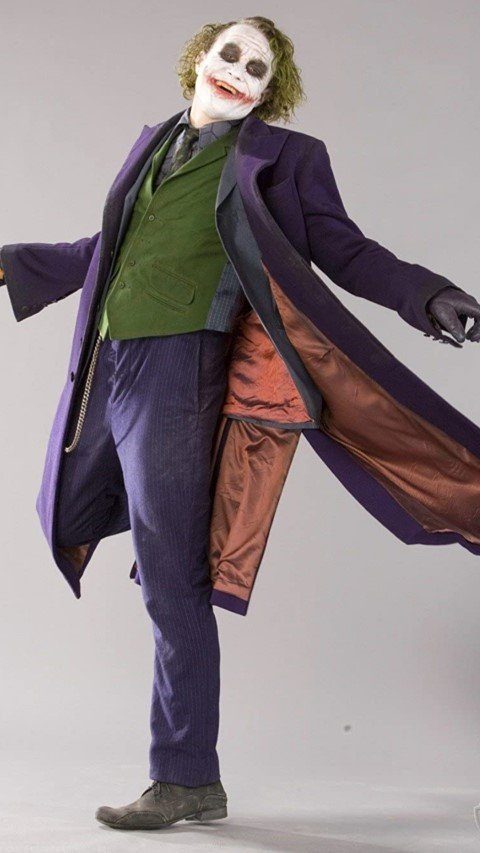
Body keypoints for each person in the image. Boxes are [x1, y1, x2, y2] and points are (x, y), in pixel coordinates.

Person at [2, 15, 480, 832]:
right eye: (229, 54)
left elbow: (347, 250)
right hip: (108, 366)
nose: (238, 72)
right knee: (80, 515)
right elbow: (107, 249)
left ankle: (185, 774)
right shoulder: (156, 143)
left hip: (181, 369)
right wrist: (12, 263)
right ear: (200, 58)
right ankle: (187, 762)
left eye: (258, 69)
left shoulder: (286, 160)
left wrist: (427, 294)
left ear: (270, 92)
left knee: (171, 573)